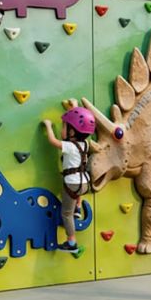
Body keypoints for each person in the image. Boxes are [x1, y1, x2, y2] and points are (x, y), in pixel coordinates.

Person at [42, 106, 98, 253]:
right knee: (76, 195)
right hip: (84, 183)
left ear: (72, 132)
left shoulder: (69, 146)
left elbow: (53, 141)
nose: (63, 129)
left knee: (66, 214)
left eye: (65, 126)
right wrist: (73, 107)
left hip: (72, 184)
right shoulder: (85, 144)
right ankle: (78, 207)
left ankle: (71, 242)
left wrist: (48, 126)